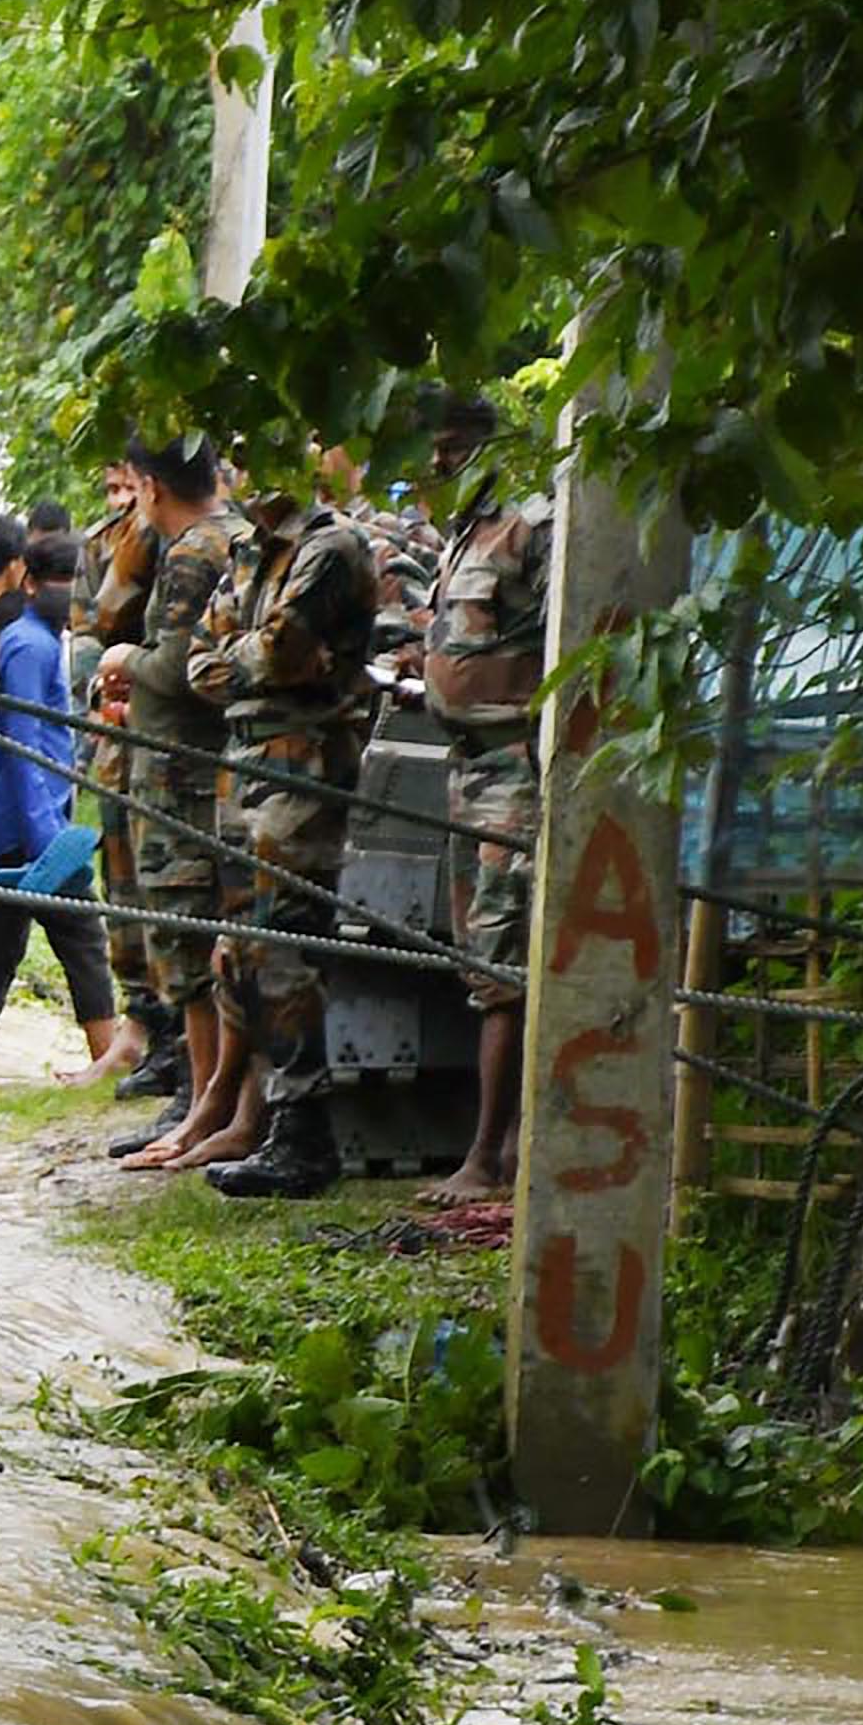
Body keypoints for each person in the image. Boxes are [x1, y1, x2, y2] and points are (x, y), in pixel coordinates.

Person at [181, 441, 394, 1199]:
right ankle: (271, 1123)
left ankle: (304, 1136)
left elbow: (279, 651)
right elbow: (199, 664)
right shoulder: (247, 551)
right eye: (236, 460)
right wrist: (250, 656)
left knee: (285, 947)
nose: (243, 473)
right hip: (246, 761)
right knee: (239, 948)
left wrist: (251, 657)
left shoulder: (330, 547)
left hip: (304, 763)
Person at [420, 401, 553, 1208]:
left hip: (515, 766)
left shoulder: (529, 527)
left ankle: (490, 1158)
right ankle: (493, 1149)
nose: (439, 466)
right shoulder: (464, 533)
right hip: (467, 767)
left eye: (453, 449)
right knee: (479, 959)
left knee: (503, 964)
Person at [114, 438, 254, 1168]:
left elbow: (176, 668)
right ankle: (210, 1107)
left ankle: (205, 1112)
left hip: (182, 775)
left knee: (189, 948)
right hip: (211, 771)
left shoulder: (195, 550)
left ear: (146, 486)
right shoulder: (232, 537)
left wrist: (120, 661)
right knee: (209, 945)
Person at [0, 531, 125, 1079]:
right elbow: (20, 741)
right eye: (60, 584)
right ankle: (108, 1061)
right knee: (84, 939)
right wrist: (46, 837)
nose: (70, 594)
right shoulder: (31, 645)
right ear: (30, 583)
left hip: (30, 821)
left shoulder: (44, 639)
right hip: (28, 829)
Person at [76, 457, 172, 1091]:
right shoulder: (101, 543)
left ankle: (170, 1034)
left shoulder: (193, 538)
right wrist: (97, 685)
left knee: (170, 886)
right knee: (122, 884)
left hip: (171, 736)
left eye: (132, 486)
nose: (123, 498)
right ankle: (137, 1027)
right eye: (113, 488)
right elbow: (85, 629)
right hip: (117, 735)